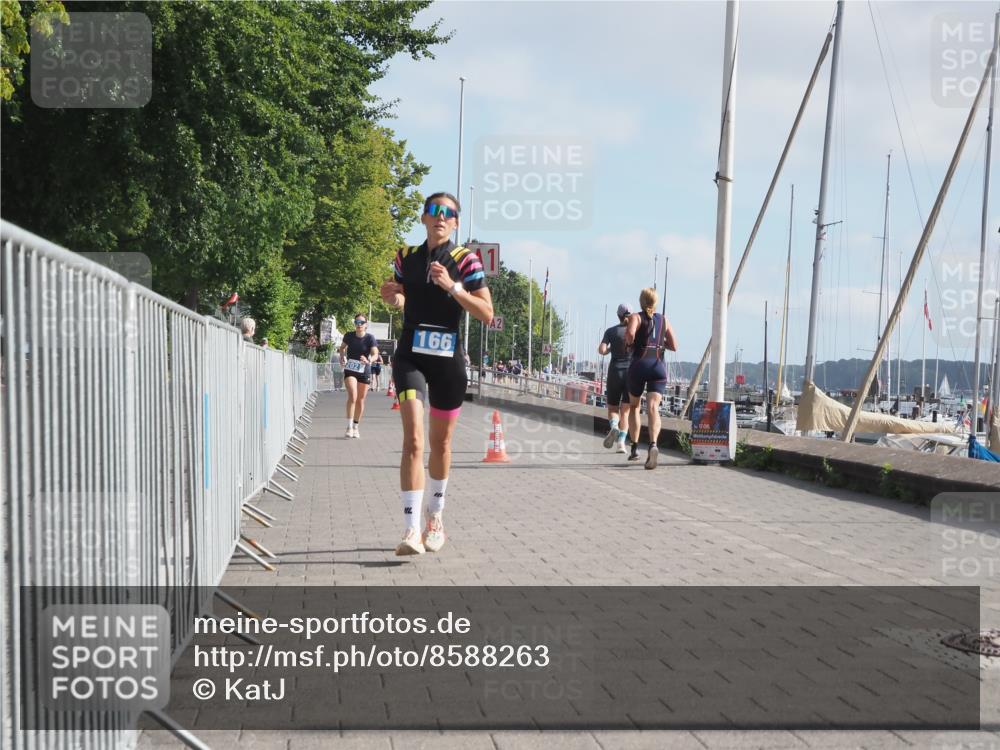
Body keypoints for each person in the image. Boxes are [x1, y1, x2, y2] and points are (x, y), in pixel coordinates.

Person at [380, 192, 493, 555]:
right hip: (411, 356)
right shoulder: (406, 257)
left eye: (448, 213)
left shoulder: (466, 261)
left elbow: (487, 314)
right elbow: (401, 298)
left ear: (456, 222)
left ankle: (436, 515)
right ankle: (411, 529)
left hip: (448, 361)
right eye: (434, 211)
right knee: (414, 440)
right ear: (424, 218)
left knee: (441, 444)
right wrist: (392, 297)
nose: (440, 217)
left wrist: (453, 286)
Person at [624, 287, 678, 469]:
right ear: (655, 302)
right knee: (653, 407)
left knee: (634, 406)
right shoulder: (663, 319)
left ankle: (634, 449)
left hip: (639, 364)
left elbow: (631, 334)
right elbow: (674, 345)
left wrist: (630, 343)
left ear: (641, 301)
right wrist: (659, 343)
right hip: (658, 366)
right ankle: (653, 445)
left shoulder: (635, 317)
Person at [598, 304, 633, 453]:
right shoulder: (634, 332)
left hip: (615, 373)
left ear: (618, 315)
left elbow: (602, 350)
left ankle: (614, 427)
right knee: (625, 411)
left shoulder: (611, 331)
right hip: (631, 374)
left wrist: (612, 348)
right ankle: (621, 444)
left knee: (613, 408)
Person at [338, 314, 379, 438]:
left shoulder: (370, 338)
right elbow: (342, 348)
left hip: (364, 370)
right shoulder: (349, 336)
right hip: (350, 369)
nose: (359, 324)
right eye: (357, 322)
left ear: (366, 324)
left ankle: (356, 426)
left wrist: (369, 360)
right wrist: (342, 357)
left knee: (360, 400)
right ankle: (349, 427)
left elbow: (375, 353)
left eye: (361, 322)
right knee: (353, 396)